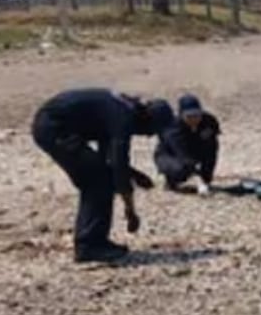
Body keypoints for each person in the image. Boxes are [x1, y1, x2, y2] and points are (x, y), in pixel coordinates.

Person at [31, 89, 174, 263]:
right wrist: (130, 211)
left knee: (100, 176)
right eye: (150, 132)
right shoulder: (123, 119)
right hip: (53, 128)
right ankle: (89, 246)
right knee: (97, 182)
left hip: (53, 125)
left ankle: (95, 242)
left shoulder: (123, 109)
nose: (147, 136)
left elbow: (110, 158)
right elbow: (118, 166)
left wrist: (134, 174)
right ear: (147, 121)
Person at [155, 94, 220, 193]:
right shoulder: (174, 128)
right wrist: (198, 178)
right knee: (180, 169)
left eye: (197, 115)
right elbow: (182, 154)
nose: (194, 119)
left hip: (194, 150)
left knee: (209, 153)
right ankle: (170, 180)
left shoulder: (209, 121)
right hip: (169, 155)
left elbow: (212, 148)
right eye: (189, 116)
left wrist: (206, 179)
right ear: (181, 115)